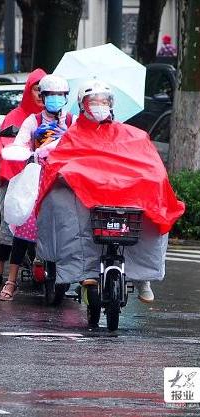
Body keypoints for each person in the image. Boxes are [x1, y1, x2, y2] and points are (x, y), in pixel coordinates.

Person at [36, 79, 185, 304]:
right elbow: (61, 162)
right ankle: (83, 270)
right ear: (82, 104)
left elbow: (149, 163)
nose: (99, 104)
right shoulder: (73, 135)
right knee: (63, 203)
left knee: (153, 197)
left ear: (111, 103)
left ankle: (143, 276)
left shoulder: (131, 134)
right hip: (88, 196)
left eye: (103, 100)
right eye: (93, 100)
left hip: (126, 193)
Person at [0, 74, 75, 301]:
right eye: (51, 95)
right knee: (26, 224)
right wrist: (29, 153)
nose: (55, 99)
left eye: (60, 96)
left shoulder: (72, 121)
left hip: (64, 180)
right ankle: (11, 281)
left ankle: (78, 275)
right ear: (43, 97)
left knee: (73, 225)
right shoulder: (33, 121)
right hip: (38, 178)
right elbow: (20, 143)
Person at [0, 68, 46, 286]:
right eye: (36, 90)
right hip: (17, 178)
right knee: (9, 222)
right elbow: (5, 146)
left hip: (45, 178)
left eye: (44, 91)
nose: (40, 95)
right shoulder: (15, 117)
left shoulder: (56, 118)